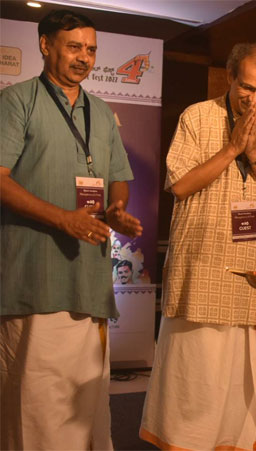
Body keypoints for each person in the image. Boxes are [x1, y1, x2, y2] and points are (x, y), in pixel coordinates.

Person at [140, 43, 256, 450]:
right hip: (202, 264)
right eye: (247, 88)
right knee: (197, 374)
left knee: (243, 379)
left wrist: (255, 155)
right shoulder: (196, 116)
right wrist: (231, 149)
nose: (255, 99)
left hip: (254, 269)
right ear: (229, 76)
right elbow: (180, 185)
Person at [0, 9, 142, 450]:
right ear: (45, 45)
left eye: (91, 49)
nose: (84, 57)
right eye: (74, 47)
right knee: (35, 407)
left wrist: (117, 210)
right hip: (34, 279)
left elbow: (118, 177)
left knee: (86, 408)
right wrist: (64, 219)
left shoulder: (101, 111)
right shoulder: (17, 100)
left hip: (89, 281)